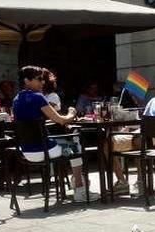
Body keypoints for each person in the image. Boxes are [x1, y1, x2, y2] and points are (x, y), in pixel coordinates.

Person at [12, 65, 97, 202]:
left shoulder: (16, 99)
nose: (43, 82)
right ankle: (80, 189)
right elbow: (61, 120)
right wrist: (72, 113)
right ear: (27, 81)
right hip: (43, 150)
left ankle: (76, 182)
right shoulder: (38, 97)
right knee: (74, 143)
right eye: (39, 79)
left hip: (25, 151)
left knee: (68, 142)